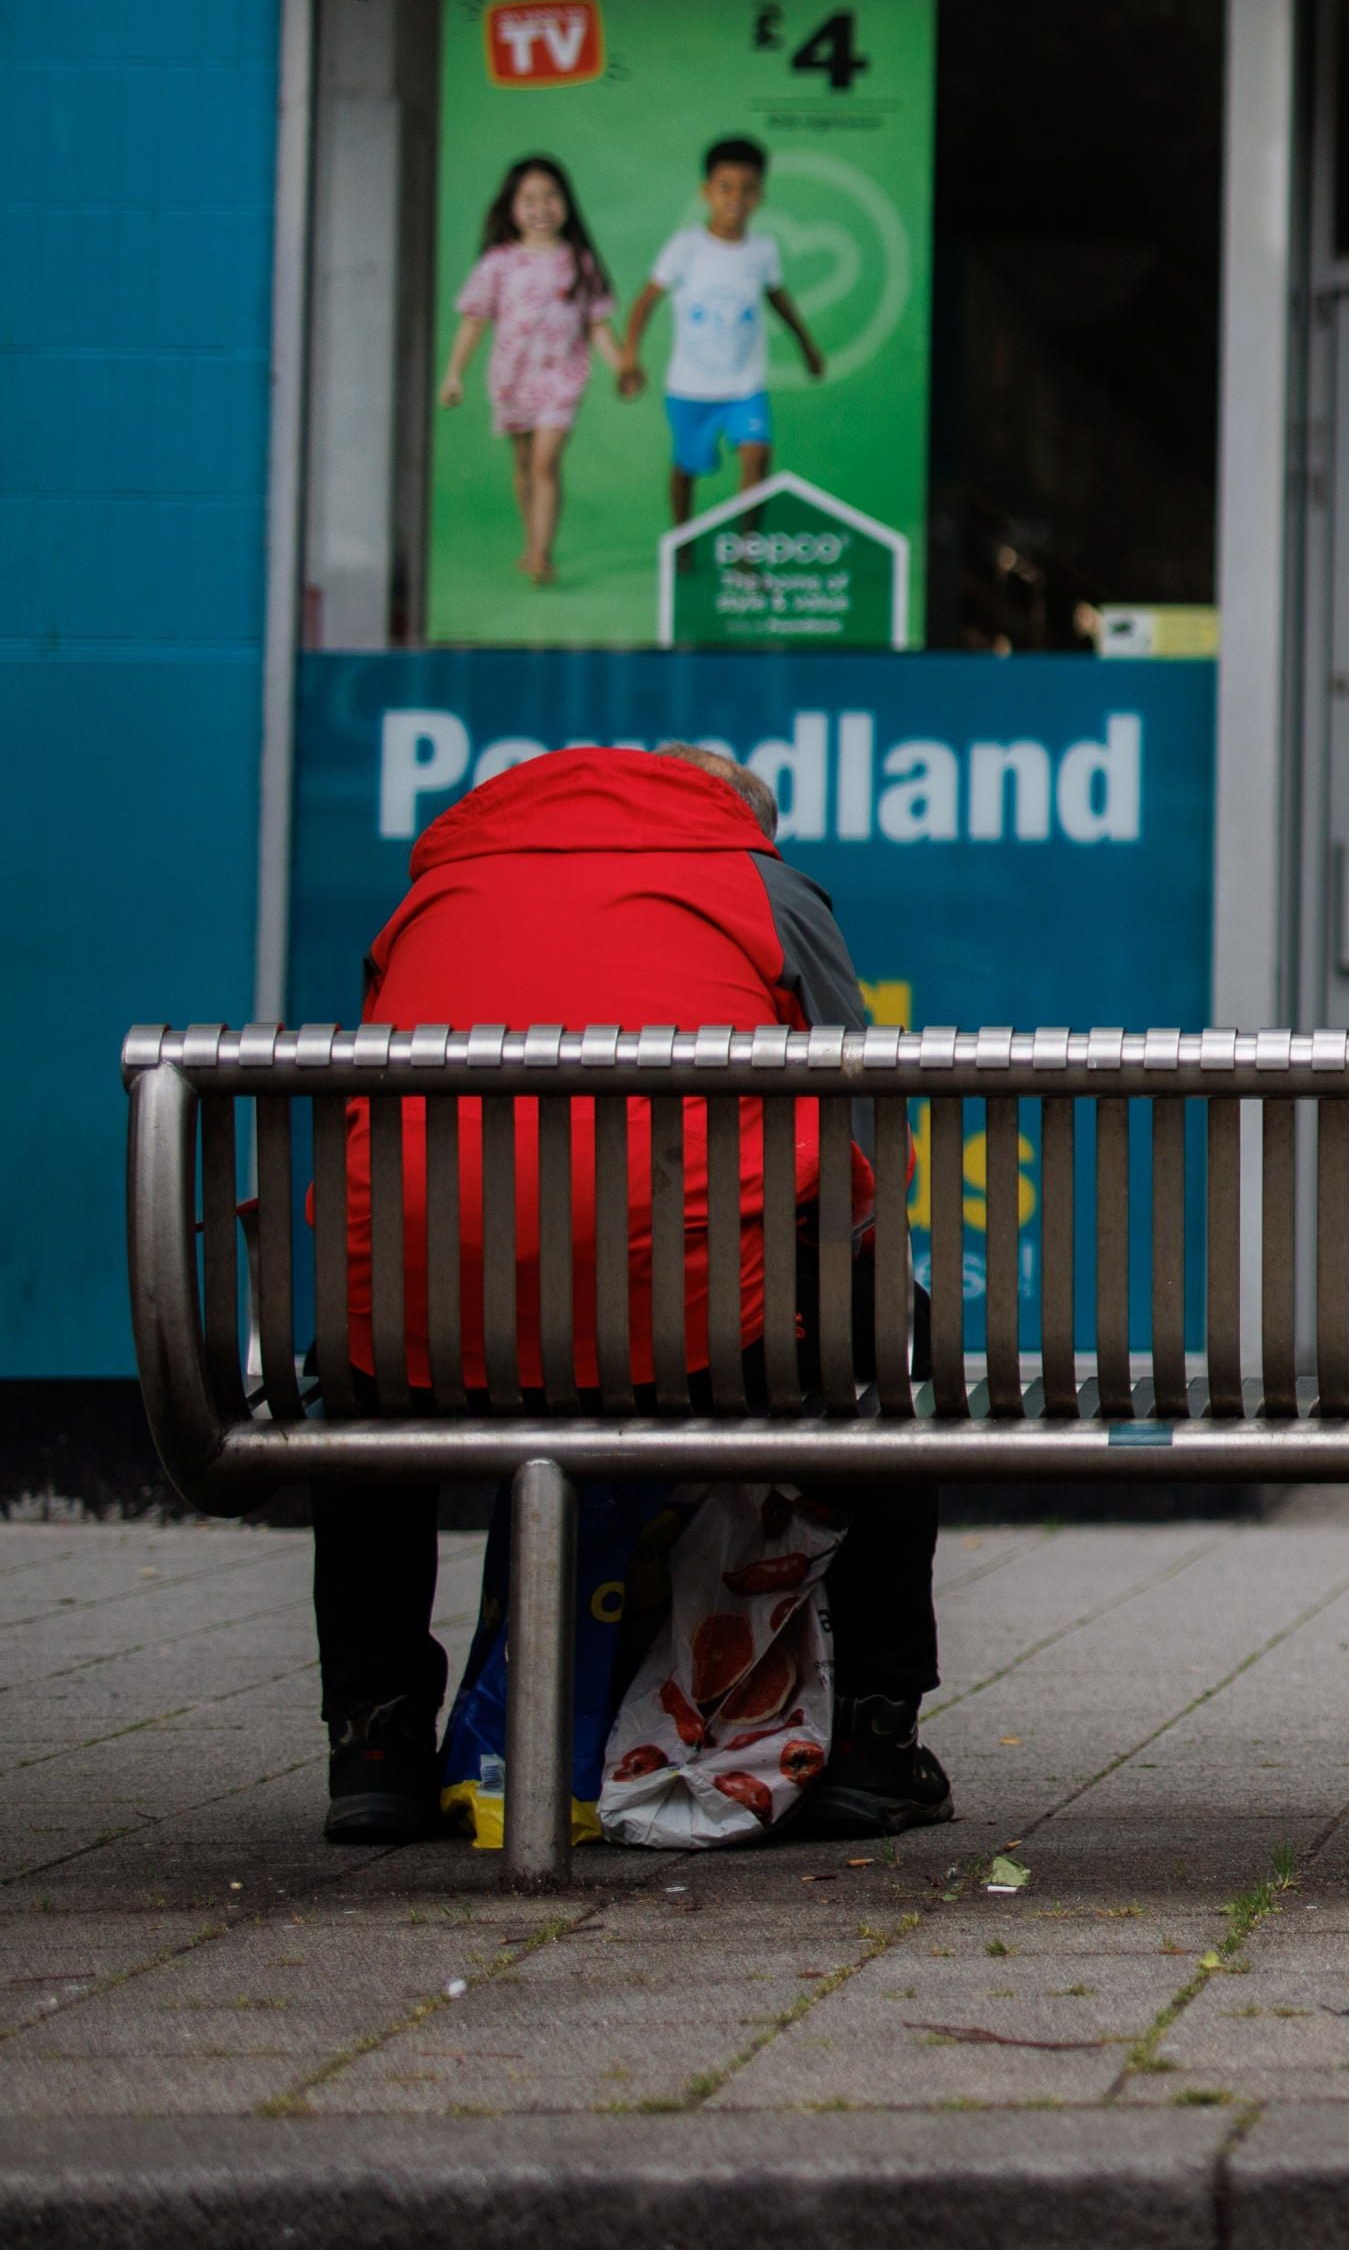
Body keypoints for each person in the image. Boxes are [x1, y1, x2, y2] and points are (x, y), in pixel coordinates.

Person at [316, 741, 949, 1845]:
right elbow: (863, 1099)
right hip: (693, 1319)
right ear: (739, 814)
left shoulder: (442, 891)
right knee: (894, 1328)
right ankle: (876, 1740)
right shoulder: (759, 883)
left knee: (370, 1344)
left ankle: (376, 1738)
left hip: (435, 1326)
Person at [437, 156, 634, 585]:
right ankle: (531, 544)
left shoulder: (579, 262)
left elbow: (598, 323)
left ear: (566, 203)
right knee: (524, 462)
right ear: (511, 207)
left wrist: (622, 367)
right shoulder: (498, 264)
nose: (541, 208)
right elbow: (474, 320)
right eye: (529, 199)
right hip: (512, 378)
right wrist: (454, 375)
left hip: (562, 378)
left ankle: (542, 555)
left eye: (551, 197)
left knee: (545, 463)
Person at [621, 135, 828, 527]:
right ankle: (682, 541)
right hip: (690, 389)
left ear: (760, 196)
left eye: (748, 190)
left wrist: (807, 346)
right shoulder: (686, 247)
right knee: (687, 469)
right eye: (725, 187)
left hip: (744, 387)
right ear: (707, 192)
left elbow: (778, 299)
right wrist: (631, 355)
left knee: (757, 456)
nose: (736, 198)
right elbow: (645, 301)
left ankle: (745, 553)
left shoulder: (762, 250)